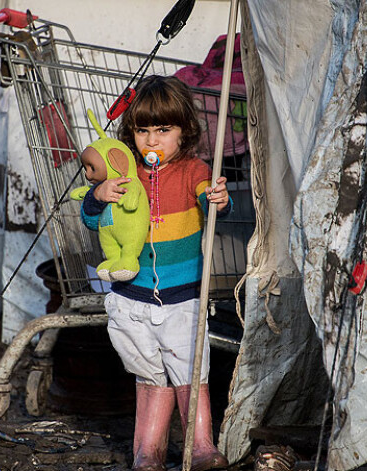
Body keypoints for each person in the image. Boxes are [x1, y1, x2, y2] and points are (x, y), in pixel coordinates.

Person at [80, 75, 231, 471]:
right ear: (131, 134)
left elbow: (211, 199)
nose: (152, 140)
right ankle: (148, 454)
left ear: (185, 131)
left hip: (183, 298)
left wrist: (217, 196)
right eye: (143, 130)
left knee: (188, 369)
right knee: (148, 374)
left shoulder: (192, 169)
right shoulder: (125, 172)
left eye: (164, 130)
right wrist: (99, 196)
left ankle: (200, 445)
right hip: (132, 296)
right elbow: (90, 218)